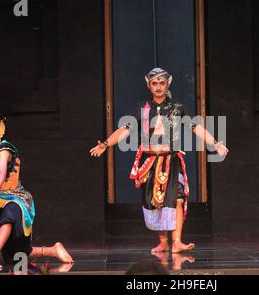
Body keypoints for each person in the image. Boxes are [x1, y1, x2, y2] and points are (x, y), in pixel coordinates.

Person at [91, 68, 228, 253]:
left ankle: (177, 242)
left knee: (178, 198)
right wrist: (106, 144)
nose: (158, 87)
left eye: (162, 83)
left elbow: (195, 127)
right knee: (156, 202)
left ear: (167, 84)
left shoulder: (177, 107)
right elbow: (124, 129)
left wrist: (215, 143)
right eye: (154, 83)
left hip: (172, 160)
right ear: (148, 85)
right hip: (149, 162)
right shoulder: (142, 108)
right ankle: (163, 242)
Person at [0, 112, 73, 268]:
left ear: (0, 130)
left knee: (9, 216)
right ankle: (53, 250)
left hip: (14, 198)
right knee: (15, 256)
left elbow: (1, 173)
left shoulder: (4, 149)